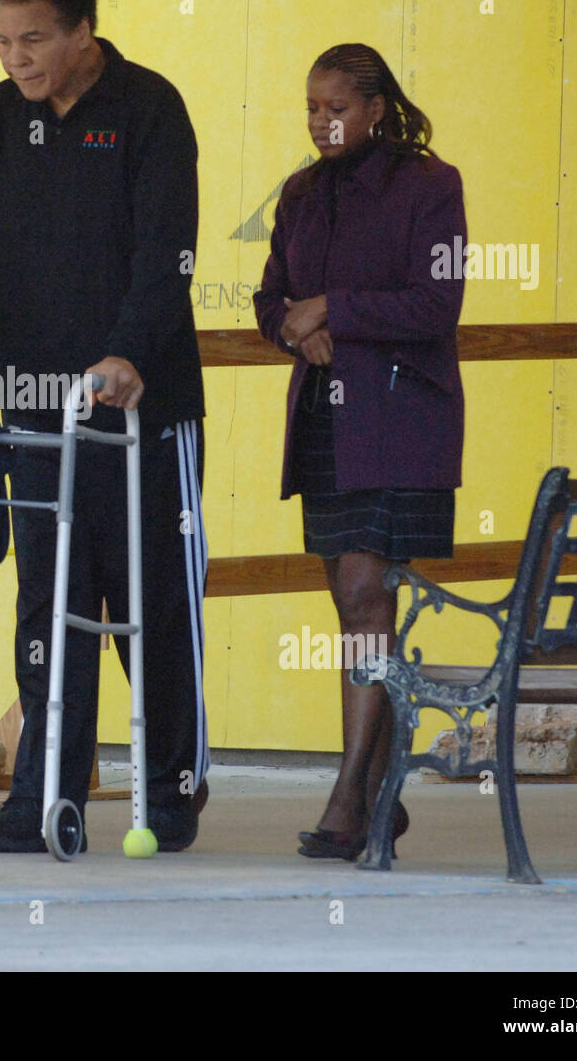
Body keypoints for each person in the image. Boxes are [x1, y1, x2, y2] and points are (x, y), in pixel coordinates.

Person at [0, 0, 209, 852]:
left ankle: (170, 787)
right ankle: (46, 796)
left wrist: (127, 350)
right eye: (1, 41)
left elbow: (167, 250)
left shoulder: (150, 109)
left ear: (83, 33)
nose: (16, 58)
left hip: (143, 410)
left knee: (148, 598)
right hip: (34, 407)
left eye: (33, 39)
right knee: (48, 600)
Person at [253, 43, 466, 860]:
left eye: (336, 106)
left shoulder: (430, 185)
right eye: (311, 106)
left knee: (365, 590)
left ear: (376, 107)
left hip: (402, 419)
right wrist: (295, 329)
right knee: (349, 605)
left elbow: (435, 303)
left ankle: (350, 795)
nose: (321, 121)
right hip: (325, 416)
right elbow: (272, 296)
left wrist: (331, 310)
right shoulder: (303, 192)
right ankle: (380, 793)